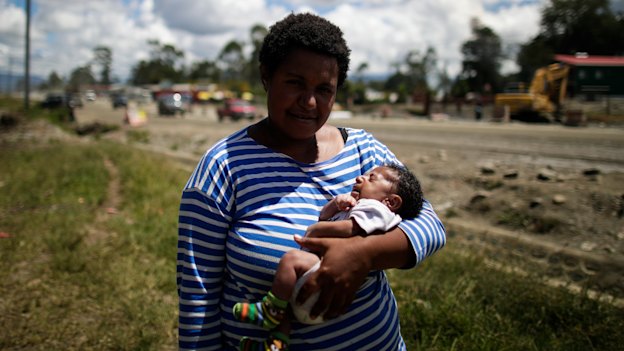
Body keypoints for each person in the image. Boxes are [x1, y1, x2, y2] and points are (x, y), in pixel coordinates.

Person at [177, 12, 446, 351]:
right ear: (266, 77)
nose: (309, 102)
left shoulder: (364, 150)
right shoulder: (223, 168)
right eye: (295, 83)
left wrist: (363, 255)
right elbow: (197, 298)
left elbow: (430, 224)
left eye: (324, 89)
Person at [231, 163, 424, 350]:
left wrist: (318, 229)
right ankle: (276, 343)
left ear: (391, 201)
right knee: (288, 303)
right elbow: (325, 215)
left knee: (291, 260)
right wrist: (335, 205)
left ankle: (270, 309)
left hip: (324, 276)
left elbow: (351, 228)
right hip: (318, 290)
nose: (360, 177)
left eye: (371, 178)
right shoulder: (360, 207)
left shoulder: (377, 209)